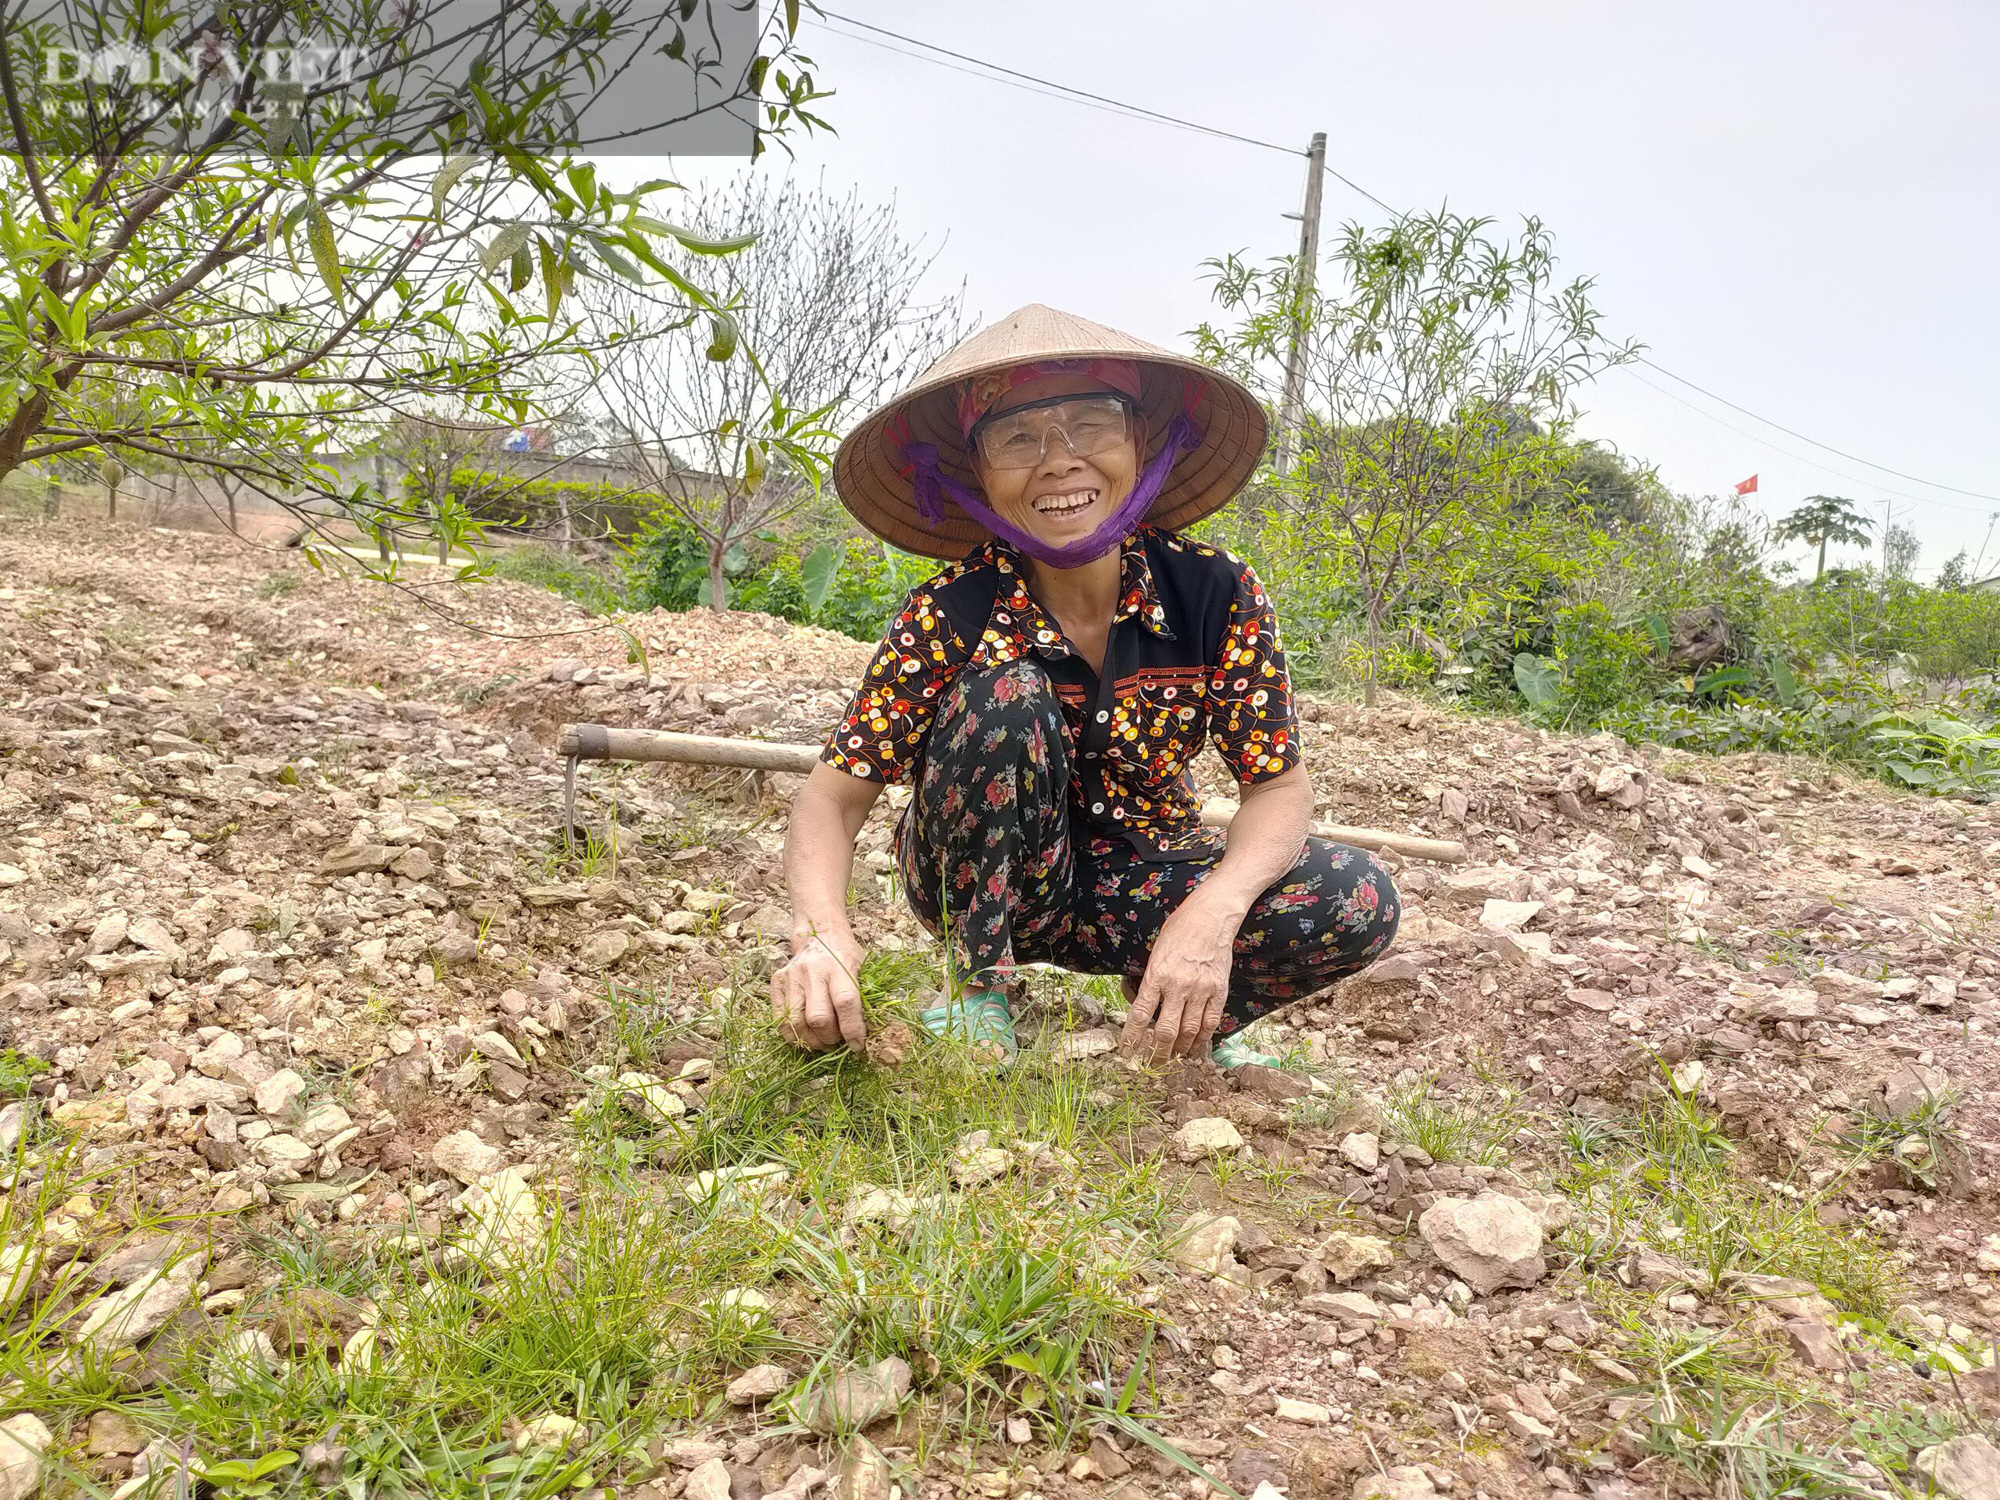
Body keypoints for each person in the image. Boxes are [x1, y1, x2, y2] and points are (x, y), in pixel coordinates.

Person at [771, 305, 1400, 1068]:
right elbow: (832, 799)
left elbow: (1277, 789)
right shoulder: (951, 611)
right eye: (1019, 437)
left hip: (1144, 877)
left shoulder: (1214, 592)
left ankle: (1184, 1014)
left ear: (1139, 443)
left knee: (1356, 892)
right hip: (995, 880)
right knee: (1002, 696)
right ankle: (978, 990)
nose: (1060, 460)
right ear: (978, 471)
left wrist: (1212, 912)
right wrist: (823, 938)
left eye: (1092, 423)